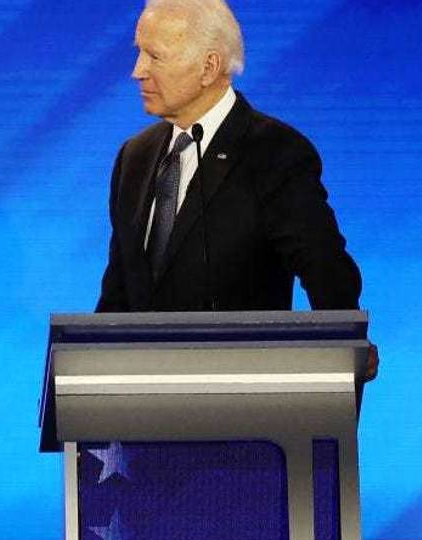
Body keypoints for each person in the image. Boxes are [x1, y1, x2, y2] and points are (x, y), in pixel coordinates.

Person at [97, 0, 377, 378]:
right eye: (138, 53)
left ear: (209, 67)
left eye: (155, 57)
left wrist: (345, 353)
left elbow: (327, 273)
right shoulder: (135, 158)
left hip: (243, 401)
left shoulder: (274, 153)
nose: (137, 71)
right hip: (144, 408)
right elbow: (118, 297)